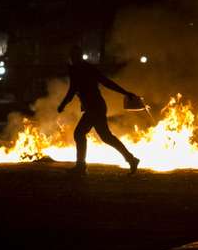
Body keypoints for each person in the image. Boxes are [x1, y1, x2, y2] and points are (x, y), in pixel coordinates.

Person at [57, 46, 140, 175]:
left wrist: (124, 92)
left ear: (78, 56)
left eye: (75, 56)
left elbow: (106, 82)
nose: (73, 59)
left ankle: (81, 166)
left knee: (79, 133)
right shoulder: (75, 70)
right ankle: (131, 159)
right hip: (95, 107)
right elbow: (73, 90)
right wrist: (63, 104)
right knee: (106, 137)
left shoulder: (86, 69)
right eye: (72, 56)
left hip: (95, 107)